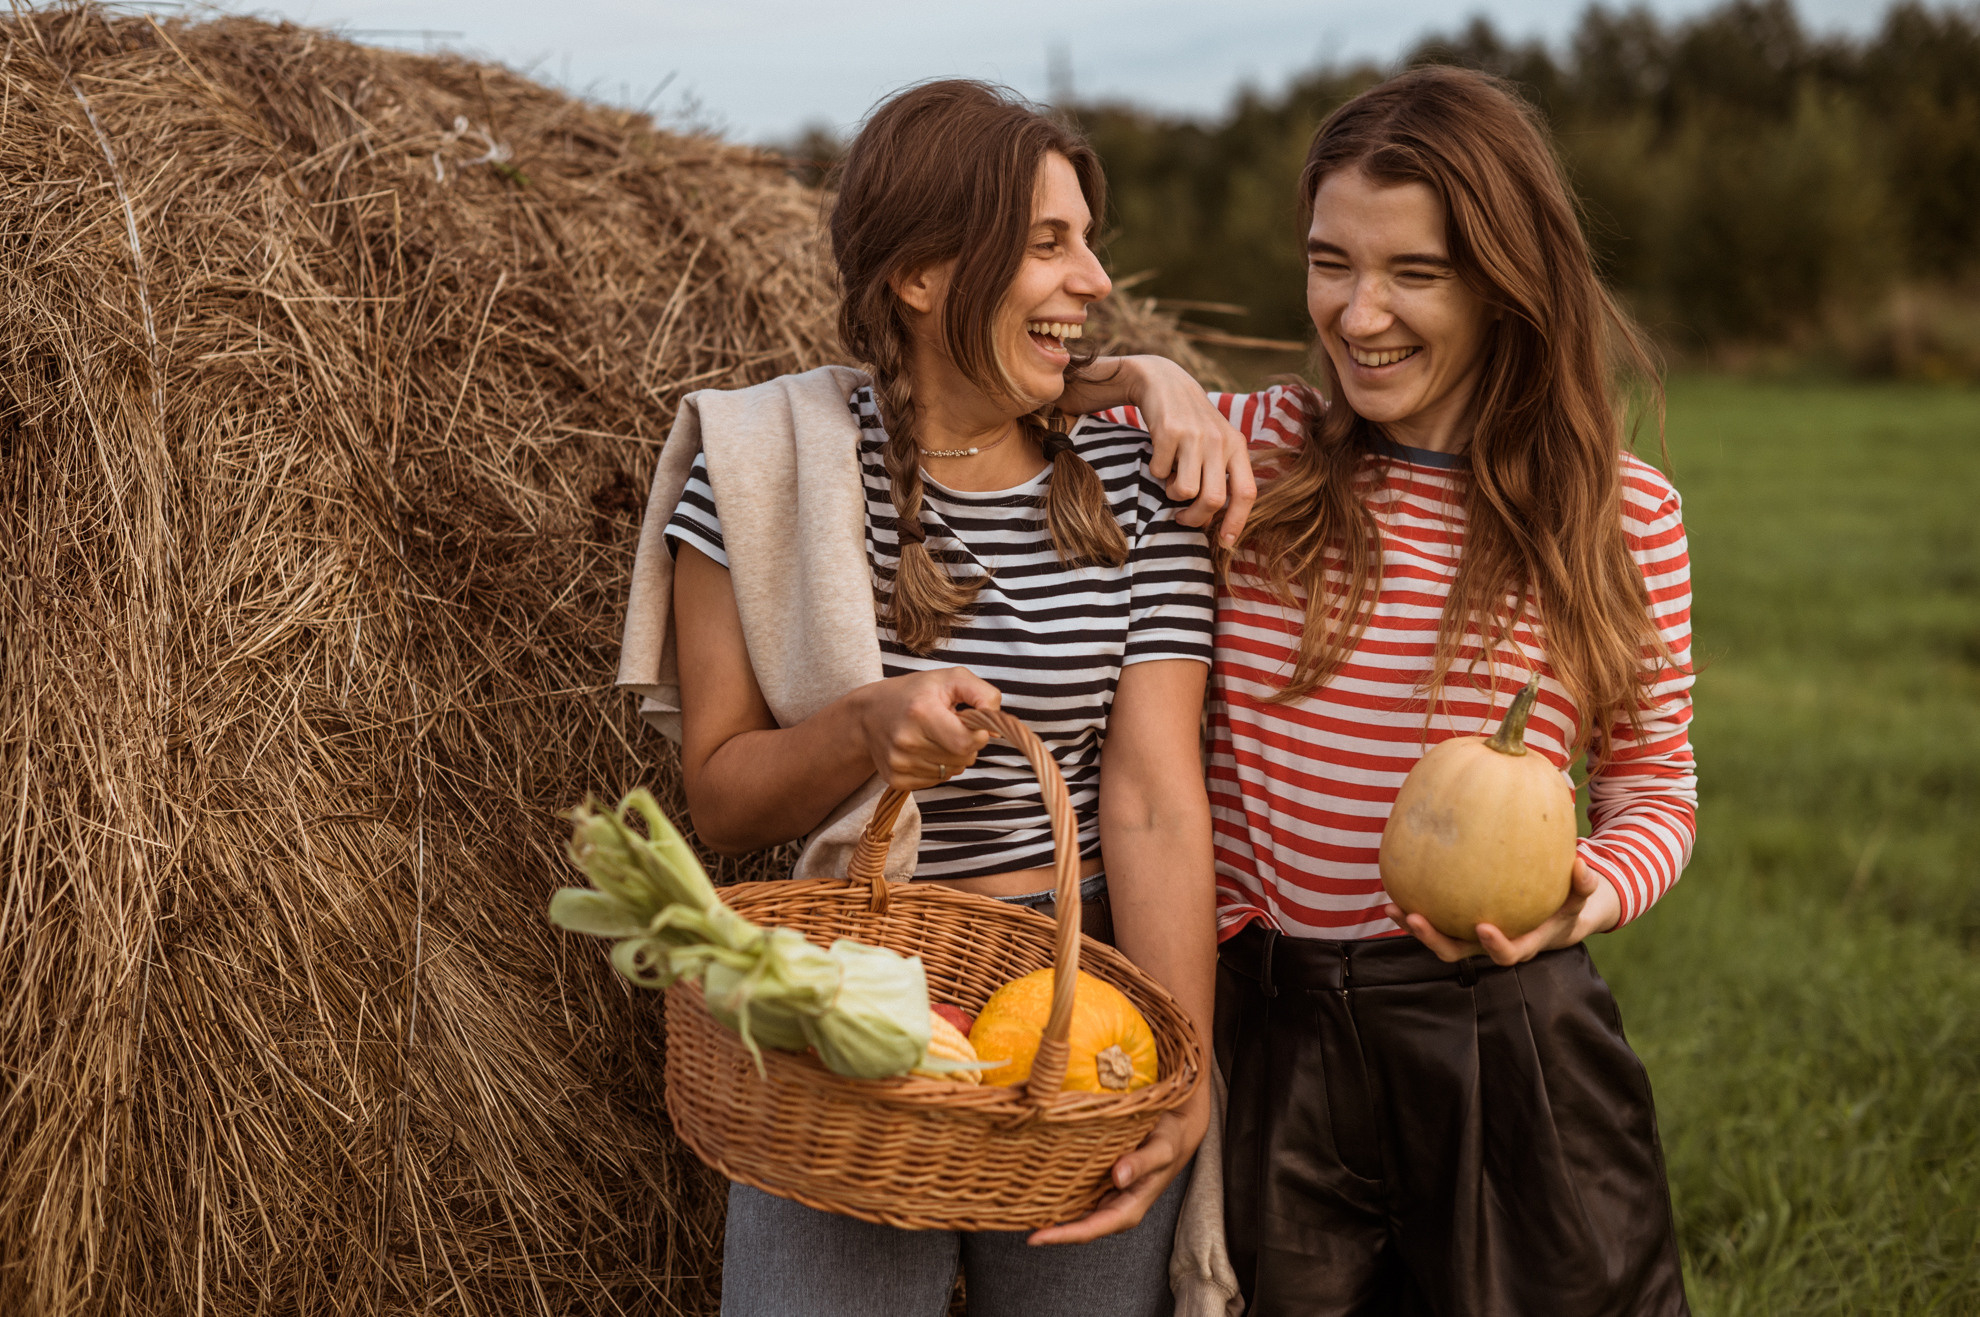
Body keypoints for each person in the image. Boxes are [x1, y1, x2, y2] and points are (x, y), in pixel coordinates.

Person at [1073, 64, 1697, 1316]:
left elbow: (1655, 782)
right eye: (1329, 263)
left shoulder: (1622, 514)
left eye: (1415, 273)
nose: (1360, 315)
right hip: (1276, 1025)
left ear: (1509, 279)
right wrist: (1148, 377)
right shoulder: (1246, 454)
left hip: (1506, 1033)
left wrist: (1588, 892)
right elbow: (1018, 392)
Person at [645, 81, 1243, 1317]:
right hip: (850, 1008)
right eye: (1047, 243)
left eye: (1089, 239)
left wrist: (1183, 1070)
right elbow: (720, 793)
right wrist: (863, 729)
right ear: (921, 275)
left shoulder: (1139, 484)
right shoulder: (764, 471)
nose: (1093, 279)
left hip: (1076, 997)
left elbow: (1152, 801)